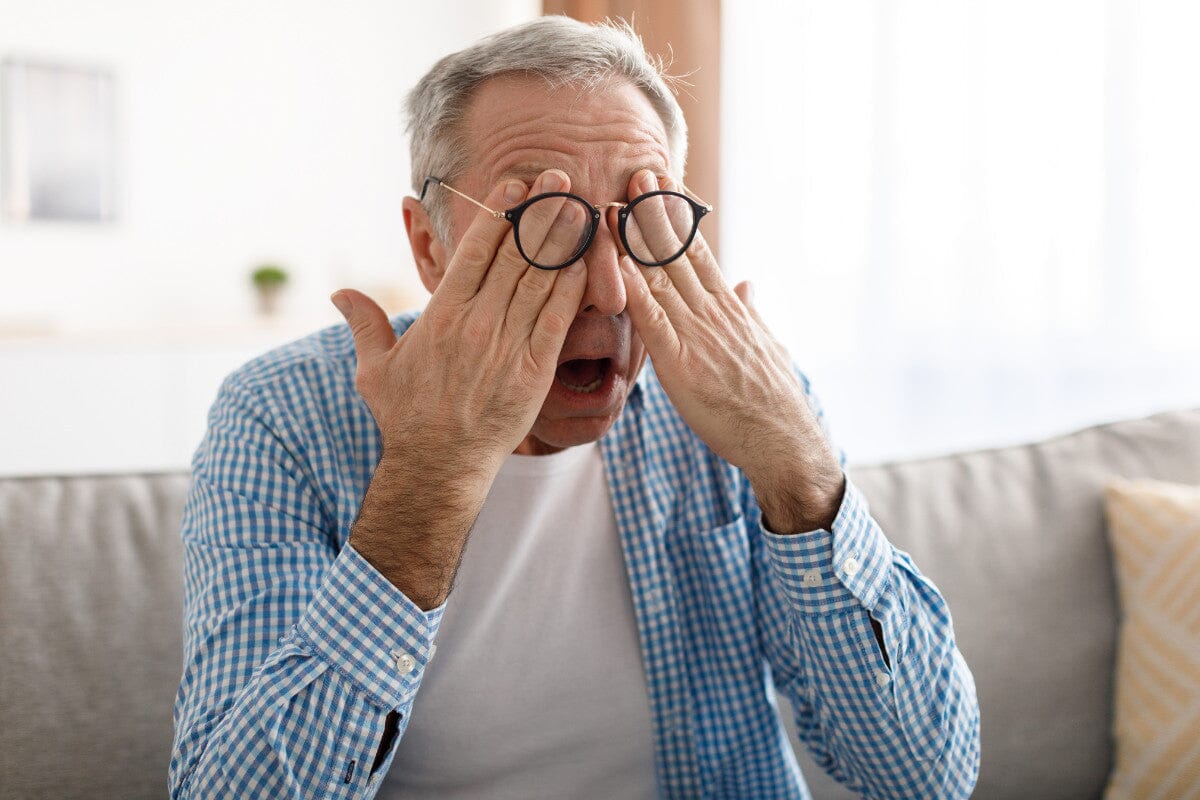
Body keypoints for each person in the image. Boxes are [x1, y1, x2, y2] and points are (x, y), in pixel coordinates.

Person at [170, 15, 980, 800]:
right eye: (545, 226)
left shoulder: (745, 395)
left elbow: (926, 777)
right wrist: (431, 473)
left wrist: (799, 472)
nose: (611, 287)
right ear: (430, 245)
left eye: (643, 223)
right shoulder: (280, 416)